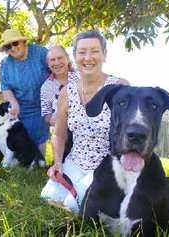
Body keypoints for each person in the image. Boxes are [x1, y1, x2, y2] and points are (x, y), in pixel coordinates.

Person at [40, 30, 129, 212]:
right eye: (82, 52)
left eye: (94, 51)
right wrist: (58, 163)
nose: (88, 57)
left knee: (72, 206)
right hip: (76, 160)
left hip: (107, 164)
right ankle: (77, 188)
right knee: (48, 196)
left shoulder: (121, 87)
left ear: (104, 54)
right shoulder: (66, 92)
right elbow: (58, 134)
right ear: (75, 56)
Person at [0, 29, 50, 156]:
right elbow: (5, 88)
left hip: (43, 104)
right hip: (21, 106)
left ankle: (40, 165)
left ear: (23, 42)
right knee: (18, 138)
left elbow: (57, 69)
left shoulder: (41, 53)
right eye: (8, 46)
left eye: (15, 43)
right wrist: (13, 103)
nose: (12, 48)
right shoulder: (5, 64)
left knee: (38, 140)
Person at [40, 46, 78, 159]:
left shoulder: (81, 77)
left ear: (67, 59)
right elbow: (46, 114)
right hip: (62, 132)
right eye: (52, 60)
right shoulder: (46, 87)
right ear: (48, 64)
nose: (57, 62)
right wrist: (51, 120)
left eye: (60, 58)